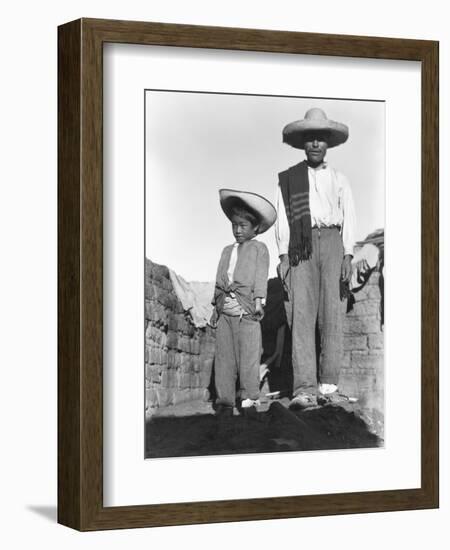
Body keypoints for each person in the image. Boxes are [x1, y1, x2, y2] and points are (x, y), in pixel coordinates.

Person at [275, 107, 357, 408]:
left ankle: (328, 385)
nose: (315, 144)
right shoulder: (288, 179)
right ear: (302, 143)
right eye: (310, 138)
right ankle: (304, 388)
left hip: (333, 242)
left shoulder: (340, 179)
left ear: (328, 144)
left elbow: (350, 218)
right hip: (301, 244)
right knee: (302, 315)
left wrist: (348, 254)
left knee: (332, 314)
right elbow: (284, 219)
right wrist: (284, 255)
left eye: (320, 139)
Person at [210, 189, 276, 415]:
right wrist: (215, 308)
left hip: (246, 311)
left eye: (243, 226)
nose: (237, 230)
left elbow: (260, 277)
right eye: (234, 225)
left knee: (248, 357)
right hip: (225, 313)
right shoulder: (226, 251)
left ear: (255, 228)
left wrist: (258, 302)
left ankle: (249, 398)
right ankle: (225, 401)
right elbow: (220, 279)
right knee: (224, 359)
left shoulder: (259, 249)